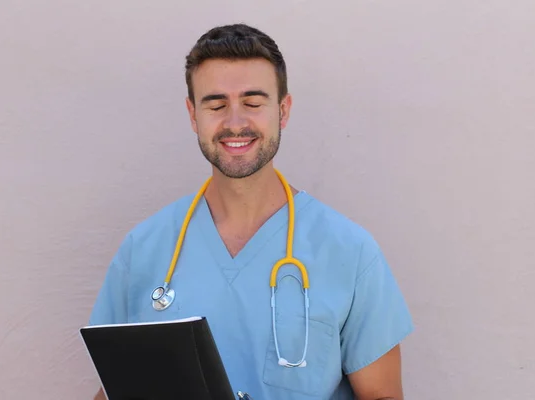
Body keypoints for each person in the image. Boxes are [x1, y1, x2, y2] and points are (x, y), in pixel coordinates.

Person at [89, 23, 414, 400]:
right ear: (193, 114)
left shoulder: (350, 253)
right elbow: (114, 389)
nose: (235, 123)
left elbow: (382, 395)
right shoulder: (143, 250)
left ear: (283, 110)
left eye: (253, 102)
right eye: (216, 104)